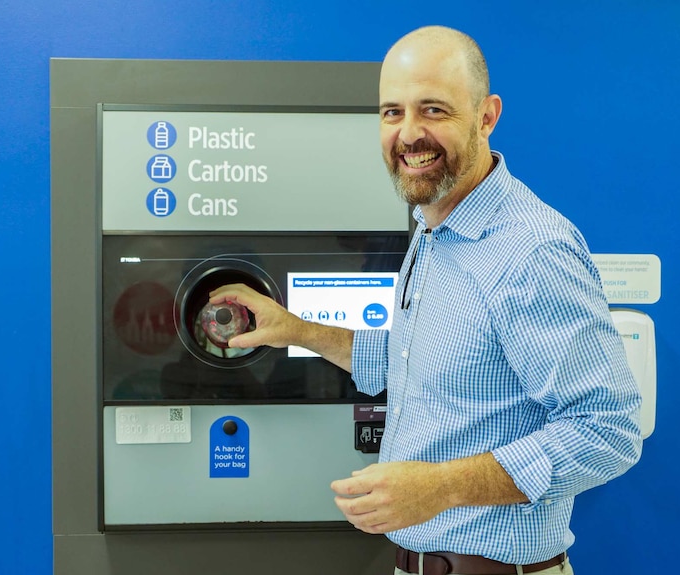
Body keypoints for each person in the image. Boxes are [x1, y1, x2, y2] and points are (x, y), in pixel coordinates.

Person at [210, 25, 642, 575]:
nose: (409, 134)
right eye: (392, 112)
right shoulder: (435, 228)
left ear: (487, 116)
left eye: (433, 110)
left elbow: (608, 429)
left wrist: (440, 487)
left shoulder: (532, 249)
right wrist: (295, 330)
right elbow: (417, 362)